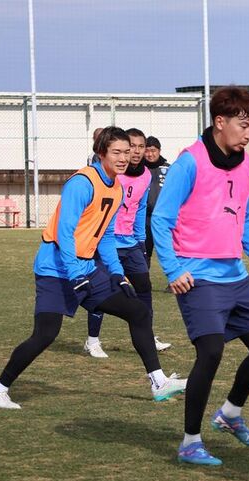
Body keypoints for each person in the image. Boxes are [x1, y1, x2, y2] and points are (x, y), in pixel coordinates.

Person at [0, 127, 187, 410]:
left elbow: (106, 235)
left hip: (86, 268)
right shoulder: (82, 182)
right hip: (56, 270)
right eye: (117, 152)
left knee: (138, 311)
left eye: (127, 152)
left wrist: (116, 273)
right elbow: (65, 233)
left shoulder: (115, 188)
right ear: (101, 153)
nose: (124, 157)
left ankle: (159, 382)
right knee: (45, 334)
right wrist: (76, 273)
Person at [152, 86, 249, 467]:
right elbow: (161, 219)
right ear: (220, 122)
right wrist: (173, 269)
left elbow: (239, 217)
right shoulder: (189, 162)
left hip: (235, 276)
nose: (248, 134)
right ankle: (190, 442)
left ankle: (229, 414)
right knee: (210, 352)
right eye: (244, 125)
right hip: (197, 276)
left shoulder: (245, 162)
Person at [84, 128, 172, 358]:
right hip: (107, 242)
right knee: (101, 292)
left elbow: (140, 209)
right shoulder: (114, 173)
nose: (136, 151)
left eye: (141, 147)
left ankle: (148, 335)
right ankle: (93, 340)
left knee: (144, 289)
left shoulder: (146, 176)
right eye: (132, 146)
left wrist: (141, 242)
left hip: (131, 244)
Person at [143, 135, 169, 264]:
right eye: (146, 151)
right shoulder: (139, 169)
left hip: (164, 218)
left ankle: (175, 282)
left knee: (169, 253)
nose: (150, 154)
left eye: (153, 150)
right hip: (144, 219)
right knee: (144, 253)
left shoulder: (169, 168)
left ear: (159, 151)